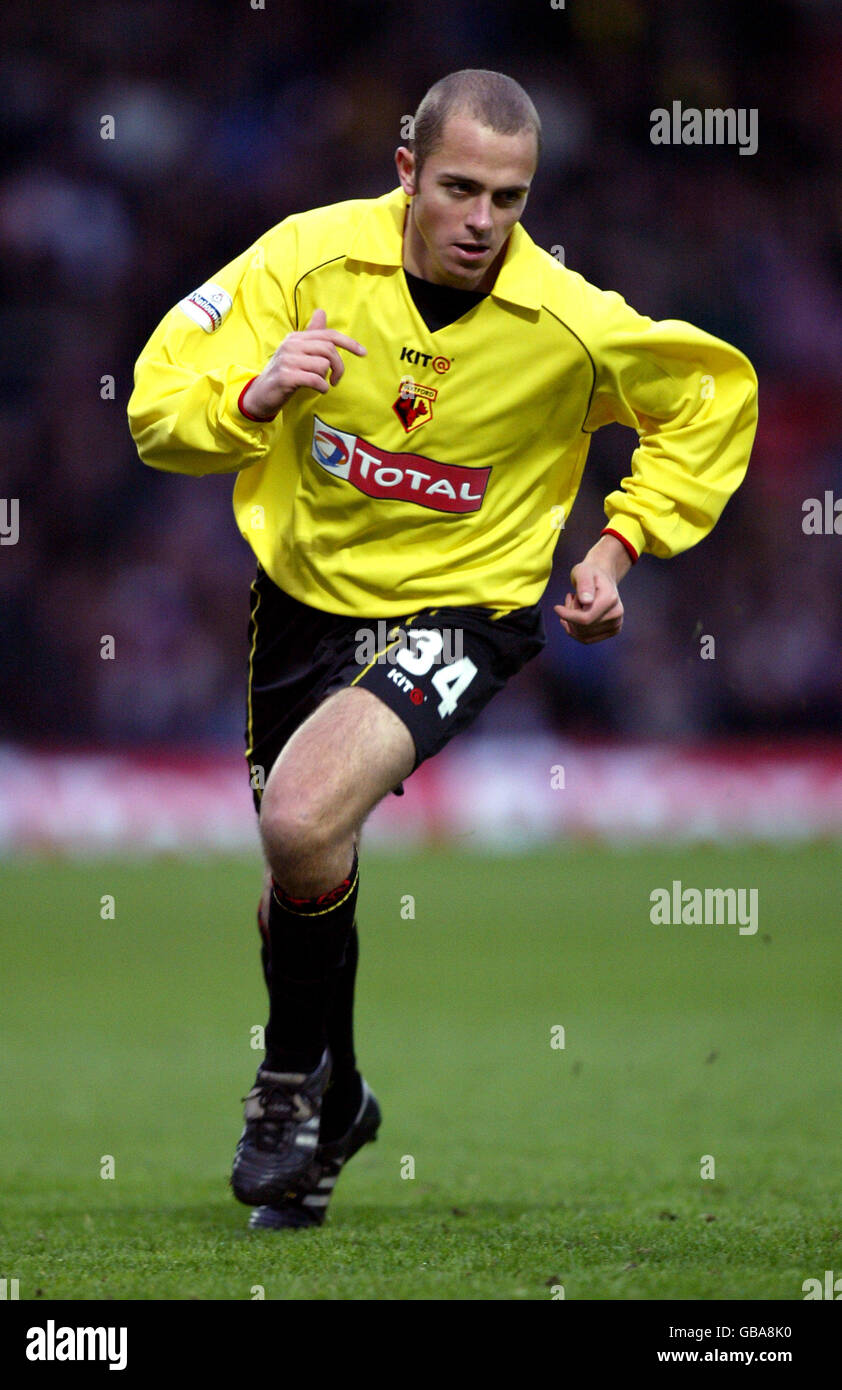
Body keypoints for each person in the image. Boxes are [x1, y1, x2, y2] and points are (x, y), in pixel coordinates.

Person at [127, 69, 758, 1230]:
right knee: (297, 885)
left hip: (464, 610)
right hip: (303, 602)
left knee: (301, 820)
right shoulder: (305, 263)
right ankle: (342, 1099)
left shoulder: (567, 320)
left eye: (509, 198)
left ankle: (286, 1090)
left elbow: (712, 396)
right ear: (407, 169)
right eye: (460, 187)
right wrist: (254, 399)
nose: (482, 220)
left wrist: (619, 546)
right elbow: (156, 404)